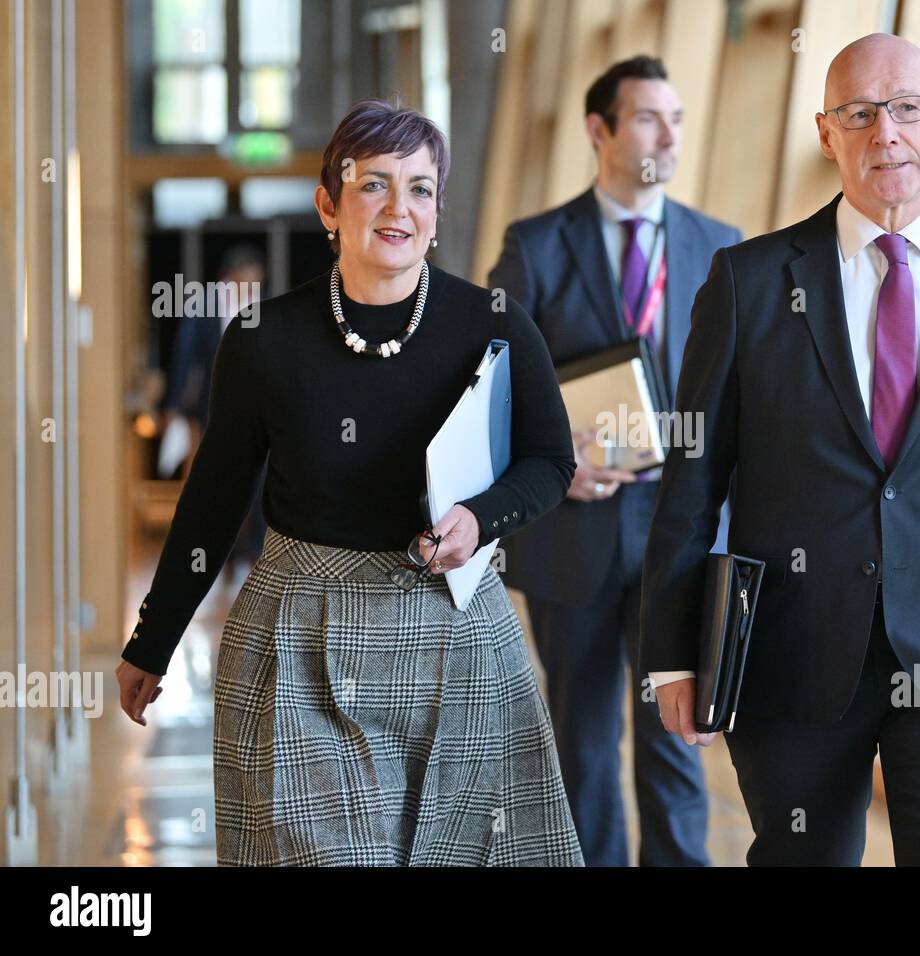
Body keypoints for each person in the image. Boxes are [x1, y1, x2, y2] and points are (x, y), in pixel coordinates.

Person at [639, 34, 920, 866]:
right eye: (860, 113)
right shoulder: (747, 282)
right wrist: (672, 652)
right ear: (825, 132)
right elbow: (694, 476)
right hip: (794, 650)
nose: (887, 132)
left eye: (907, 108)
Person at [116, 96, 584, 867]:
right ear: (329, 205)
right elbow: (213, 501)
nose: (400, 207)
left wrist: (480, 519)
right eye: (374, 184)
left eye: (422, 187)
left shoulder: (495, 323)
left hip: (455, 632)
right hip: (300, 636)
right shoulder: (263, 340)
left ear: (438, 209)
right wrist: (154, 639)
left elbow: (550, 460)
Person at [489, 55, 741, 866]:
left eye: (676, 118)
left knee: (678, 739)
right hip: (575, 527)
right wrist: (555, 465)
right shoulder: (534, 246)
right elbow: (494, 389)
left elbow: (748, 400)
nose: (668, 134)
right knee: (583, 747)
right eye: (646, 118)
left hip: (683, 534)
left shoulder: (720, 248)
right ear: (599, 130)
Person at [158, 244, 267, 578]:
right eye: (244, 280)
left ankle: (255, 552)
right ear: (229, 277)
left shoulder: (268, 306)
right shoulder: (205, 306)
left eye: (255, 280)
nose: (250, 285)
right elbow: (186, 357)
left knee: (261, 483)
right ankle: (225, 553)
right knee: (221, 482)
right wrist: (174, 405)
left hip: (261, 409)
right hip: (215, 408)